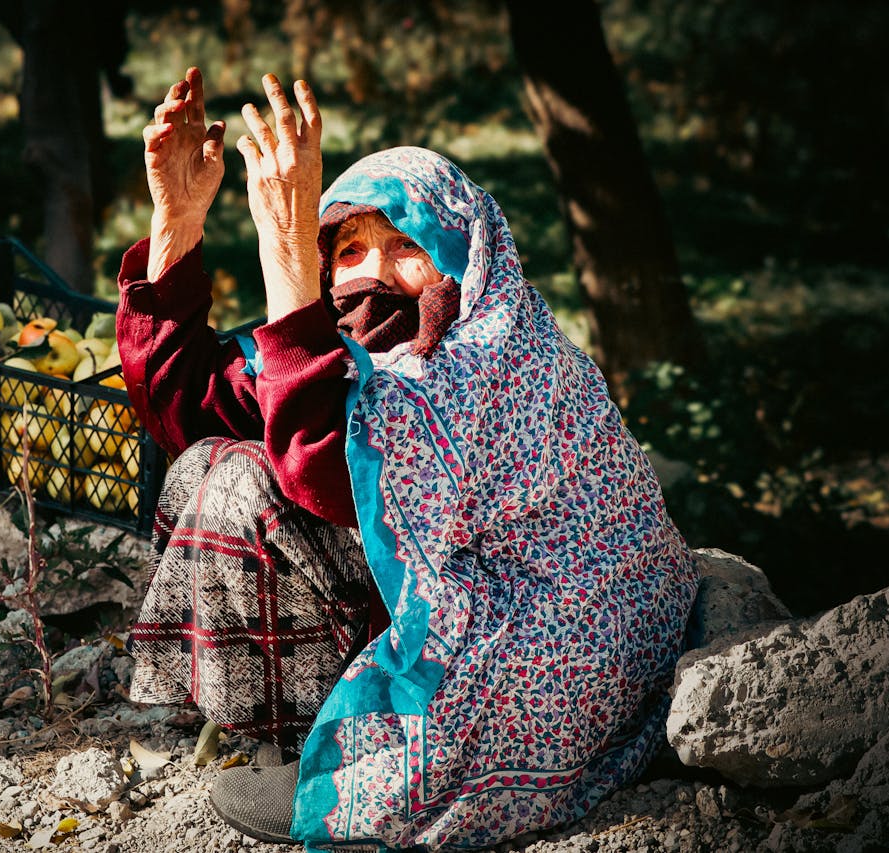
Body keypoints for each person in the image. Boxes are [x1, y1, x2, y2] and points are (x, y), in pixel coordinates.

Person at [116, 67, 699, 851]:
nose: (372, 272)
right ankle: (299, 727)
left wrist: (286, 245)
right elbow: (183, 405)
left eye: (406, 245)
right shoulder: (350, 352)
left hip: (547, 642)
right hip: (456, 608)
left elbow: (324, 473)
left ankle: (348, 759)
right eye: (348, 248)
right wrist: (177, 220)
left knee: (244, 482)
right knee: (206, 461)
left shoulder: (497, 353)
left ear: (463, 252)